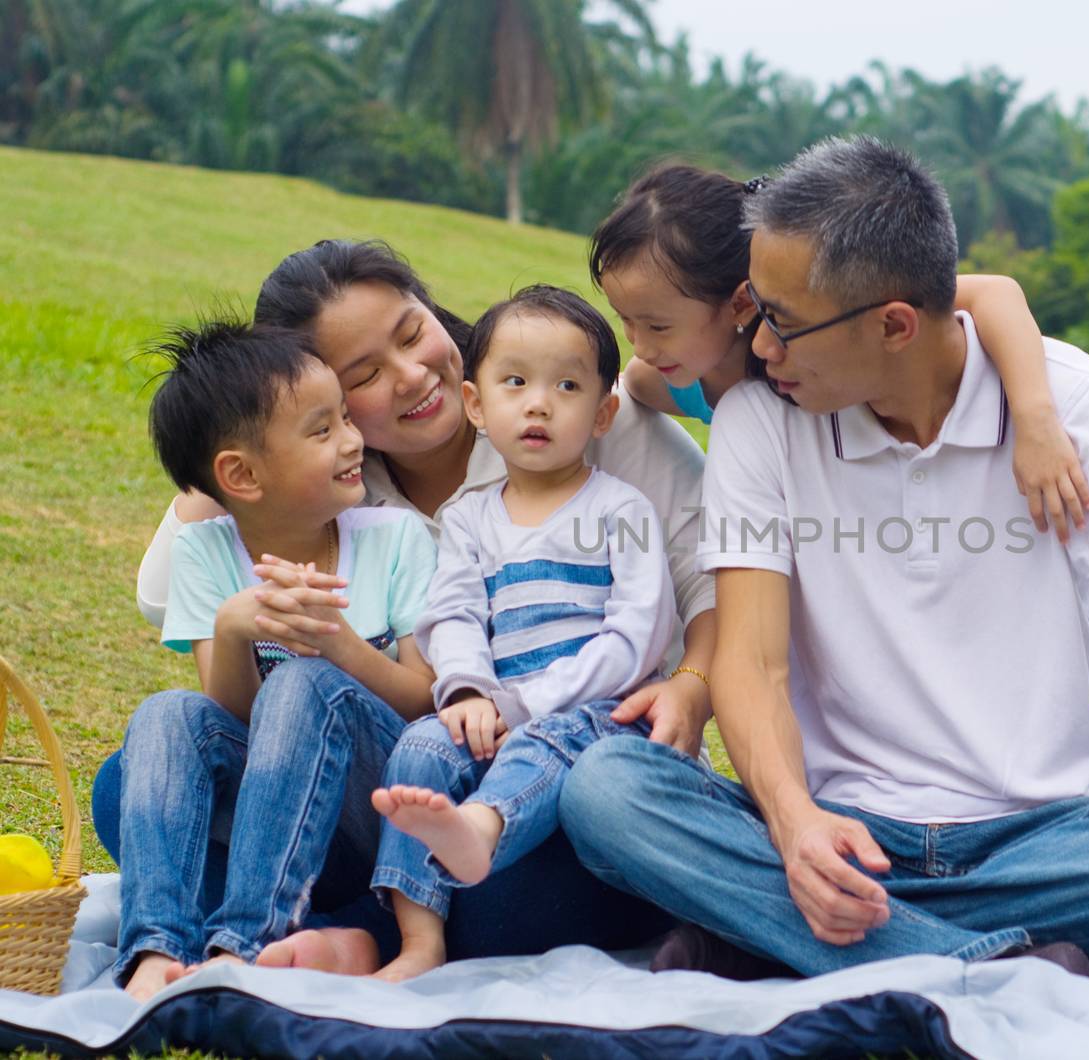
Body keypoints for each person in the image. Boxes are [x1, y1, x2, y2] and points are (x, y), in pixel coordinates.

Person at [557, 137, 1089, 980]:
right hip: (844, 825)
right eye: (755, 314)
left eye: (784, 322)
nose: (761, 349)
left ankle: (777, 933)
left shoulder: (1078, 405)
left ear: (894, 324)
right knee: (606, 791)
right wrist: (795, 823)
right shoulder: (760, 420)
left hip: (1038, 834)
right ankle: (992, 964)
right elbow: (753, 662)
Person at [100, 241, 707, 971]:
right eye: (363, 377)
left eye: (413, 332)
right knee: (127, 789)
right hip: (399, 782)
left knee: (503, 889)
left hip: (563, 772)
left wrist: (693, 683)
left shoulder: (560, 391)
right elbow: (162, 588)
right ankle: (320, 924)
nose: (414, 375)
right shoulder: (342, 487)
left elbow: (719, 581)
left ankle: (362, 931)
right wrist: (236, 445)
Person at [116, 320, 437, 1001]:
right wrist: (234, 628)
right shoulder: (207, 552)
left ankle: (245, 942)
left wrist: (340, 646)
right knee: (167, 712)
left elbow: (425, 703)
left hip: (377, 812)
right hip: (270, 813)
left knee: (302, 685)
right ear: (241, 474)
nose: (354, 441)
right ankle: (155, 951)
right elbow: (223, 719)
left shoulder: (394, 540)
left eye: (345, 419)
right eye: (323, 431)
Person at [368, 285, 675, 980]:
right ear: (477, 405)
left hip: (594, 716)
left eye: (566, 387)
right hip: (497, 711)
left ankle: (483, 829)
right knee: (421, 742)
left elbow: (635, 640)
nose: (539, 403)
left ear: (602, 414)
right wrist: (472, 692)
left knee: (549, 739)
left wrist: (527, 705)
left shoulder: (621, 509)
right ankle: (420, 941)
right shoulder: (471, 518)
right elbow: (451, 615)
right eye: (515, 383)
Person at [590, 165, 1089, 543]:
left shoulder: (825, 330)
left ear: (741, 301)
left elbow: (995, 293)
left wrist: (1035, 420)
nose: (641, 344)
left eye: (657, 325)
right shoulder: (659, 379)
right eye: (625, 321)